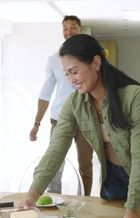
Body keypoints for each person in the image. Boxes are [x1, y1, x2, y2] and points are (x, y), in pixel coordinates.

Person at [21, 34, 140, 218]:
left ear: (96, 63)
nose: (71, 79)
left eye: (75, 71)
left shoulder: (134, 96)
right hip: (114, 180)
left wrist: (133, 206)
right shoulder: (74, 104)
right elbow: (56, 149)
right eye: (67, 74)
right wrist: (33, 193)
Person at [29, 15, 94, 196]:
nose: (69, 31)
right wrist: (36, 124)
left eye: (73, 27)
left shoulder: (90, 58)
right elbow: (46, 92)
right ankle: (53, 199)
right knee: (55, 162)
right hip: (59, 119)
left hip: (85, 118)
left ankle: (86, 199)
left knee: (85, 164)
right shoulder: (53, 60)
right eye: (65, 28)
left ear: (80, 29)